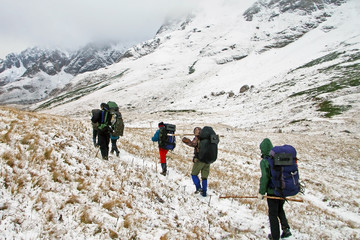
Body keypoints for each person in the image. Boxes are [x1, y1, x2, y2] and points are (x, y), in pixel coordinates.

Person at [258, 138, 292, 240]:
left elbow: (265, 178)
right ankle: (286, 229)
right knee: (280, 209)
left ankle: (275, 236)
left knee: (272, 214)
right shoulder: (278, 158)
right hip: (282, 190)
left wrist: (261, 192)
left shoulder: (265, 162)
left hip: (272, 191)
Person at [182, 127, 210, 197]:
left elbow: (192, 144)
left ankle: (198, 188)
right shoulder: (208, 138)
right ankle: (204, 192)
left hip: (200, 160)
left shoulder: (197, 138)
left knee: (194, 174)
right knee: (204, 177)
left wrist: (184, 140)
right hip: (208, 160)